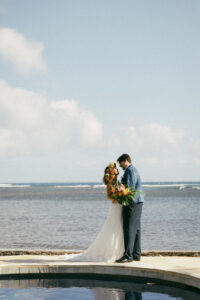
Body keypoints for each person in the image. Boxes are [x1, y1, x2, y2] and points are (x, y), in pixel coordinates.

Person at [58, 162, 125, 262]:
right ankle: (112, 251)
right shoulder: (110, 183)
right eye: (115, 168)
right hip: (115, 206)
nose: (117, 169)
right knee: (114, 226)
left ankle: (119, 250)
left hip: (119, 206)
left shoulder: (116, 182)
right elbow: (109, 196)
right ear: (111, 172)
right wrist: (118, 195)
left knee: (119, 227)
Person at [115, 154, 144, 263]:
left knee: (129, 228)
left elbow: (129, 188)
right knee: (136, 229)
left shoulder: (130, 170)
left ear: (126, 160)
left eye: (121, 163)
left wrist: (120, 194)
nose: (120, 166)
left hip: (132, 202)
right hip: (137, 202)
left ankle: (128, 256)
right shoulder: (132, 170)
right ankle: (136, 254)